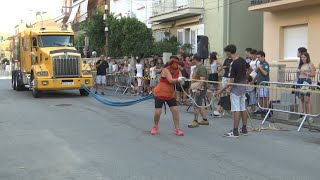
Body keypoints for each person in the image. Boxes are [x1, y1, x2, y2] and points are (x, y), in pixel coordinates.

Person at [216, 44, 250, 137]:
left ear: (229, 52)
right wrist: (245, 78)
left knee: (236, 109)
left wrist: (221, 90)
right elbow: (250, 69)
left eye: (226, 52)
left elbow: (231, 81)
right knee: (243, 108)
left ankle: (235, 131)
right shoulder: (243, 60)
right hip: (243, 87)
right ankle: (244, 129)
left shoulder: (233, 63)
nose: (226, 54)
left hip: (235, 89)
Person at [150, 56, 185, 136]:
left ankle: (177, 129)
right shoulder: (166, 70)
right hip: (160, 93)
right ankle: (155, 127)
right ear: (171, 64)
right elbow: (171, 80)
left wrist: (182, 81)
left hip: (170, 94)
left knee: (175, 111)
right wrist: (178, 80)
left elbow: (180, 79)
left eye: (177, 64)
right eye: (175, 63)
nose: (176, 65)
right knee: (158, 112)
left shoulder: (178, 71)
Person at [188, 54, 209, 128]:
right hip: (196, 88)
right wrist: (191, 87)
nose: (191, 61)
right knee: (199, 104)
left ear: (195, 60)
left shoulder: (201, 68)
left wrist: (199, 89)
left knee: (196, 104)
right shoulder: (196, 68)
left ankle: (195, 121)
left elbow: (202, 79)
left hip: (200, 88)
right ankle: (205, 119)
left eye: (192, 59)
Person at [296, 52, 316, 123]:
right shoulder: (301, 64)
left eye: (304, 57)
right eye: (302, 57)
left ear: (307, 57)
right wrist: (298, 72)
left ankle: (310, 116)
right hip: (300, 81)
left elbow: (313, 74)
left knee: (307, 99)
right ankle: (304, 115)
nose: (303, 58)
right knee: (302, 99)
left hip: (306, 82)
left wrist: (304, 72)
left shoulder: (310, 64)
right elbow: (298, 73)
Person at [254, 51, 270, 117]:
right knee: (260, 97)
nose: (258, 59)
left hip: (264, 83)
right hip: (259, 83)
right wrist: (253, 81)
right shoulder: (259, 64)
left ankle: (265, 109)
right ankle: (260, 109)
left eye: (259, 57)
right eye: (257, 58)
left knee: (264, 97)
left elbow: (265, 73)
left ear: (263, 56)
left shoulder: (266, 64)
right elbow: (257, 73)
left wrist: (260, 68)